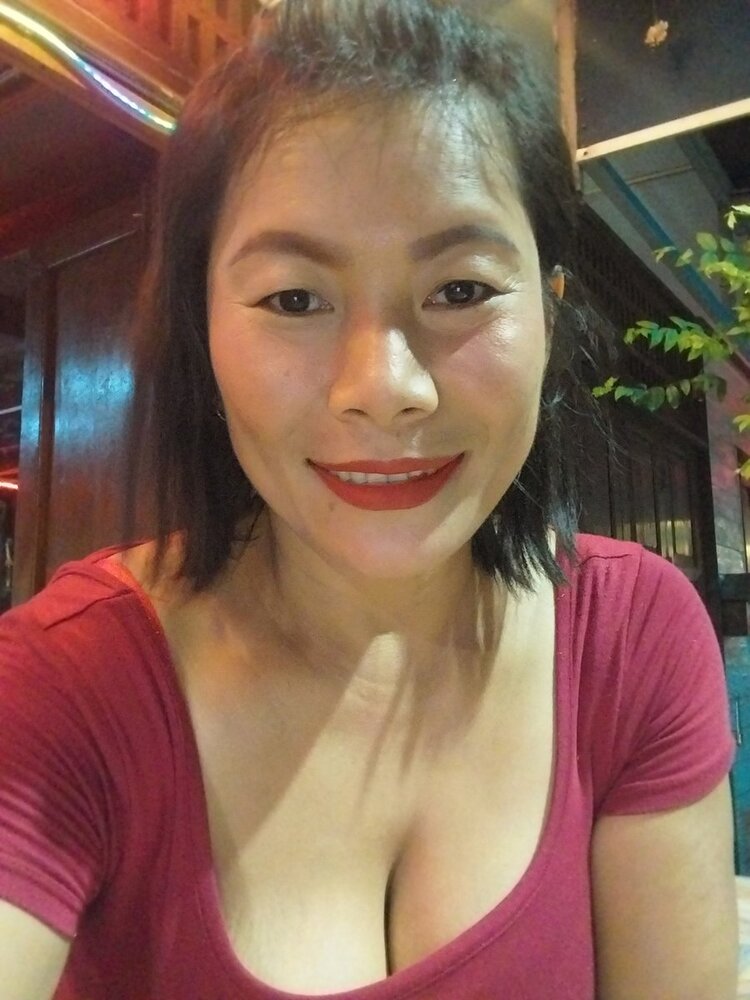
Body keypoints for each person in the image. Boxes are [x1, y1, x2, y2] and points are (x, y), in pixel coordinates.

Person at [0, 1, 739, 997]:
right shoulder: (65, 686)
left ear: (550, 311)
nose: (384, 388)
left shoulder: (632, 638)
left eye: (461, 289)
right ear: (201, 328)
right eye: (294, 299)